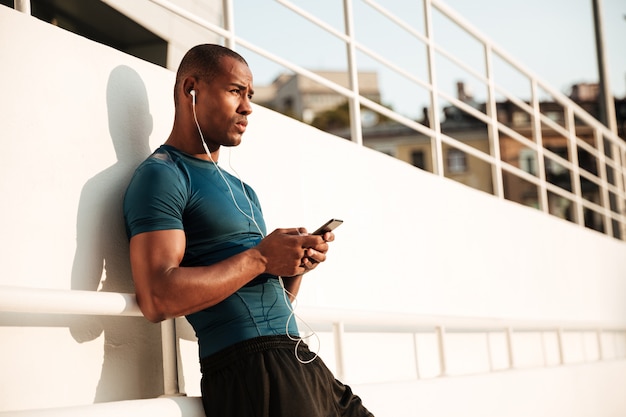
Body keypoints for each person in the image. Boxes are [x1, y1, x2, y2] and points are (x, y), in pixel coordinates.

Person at [123, 44, 374, 417]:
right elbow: (157, 297)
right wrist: (260, 257)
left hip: (299, 359)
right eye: (235, 91)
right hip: (251, 371)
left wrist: (293, 267)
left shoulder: (243, 189)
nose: (247, 107)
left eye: (250, 95)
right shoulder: (163, 175)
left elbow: (268, 299)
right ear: (191, 89)